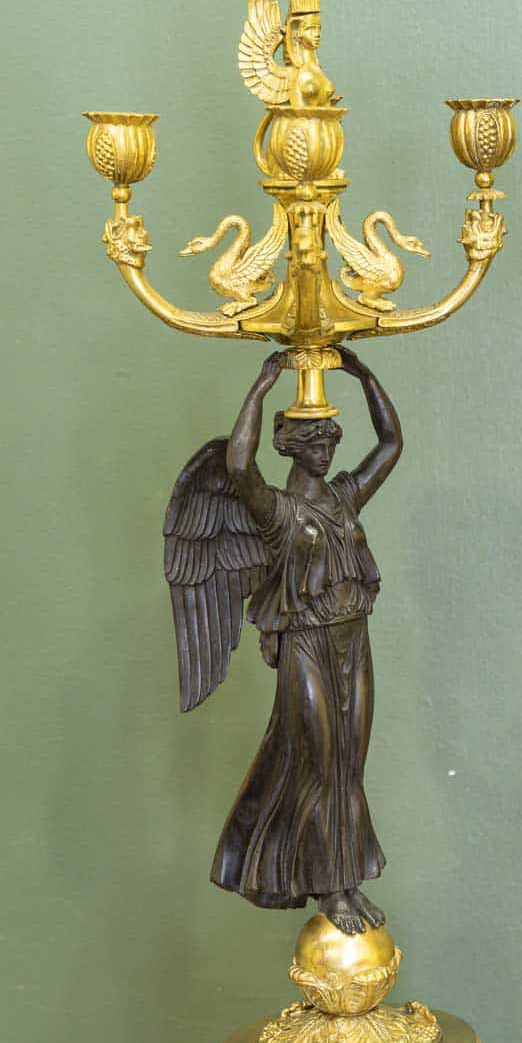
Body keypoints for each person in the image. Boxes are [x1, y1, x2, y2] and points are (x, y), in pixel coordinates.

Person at [206, 344, 401, 933]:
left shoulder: (344, 497)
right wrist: (262, 386)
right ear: (289, 444)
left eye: (330, 439)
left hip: (354, 642)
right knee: (319, 764)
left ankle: (346, 881)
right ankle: (329, 888)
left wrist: (364, 375)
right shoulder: (277, 512)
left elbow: (391, 443)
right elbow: (239, 466)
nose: (327, 447)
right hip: (307, 646)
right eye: (314, 440)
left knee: (349, 764)